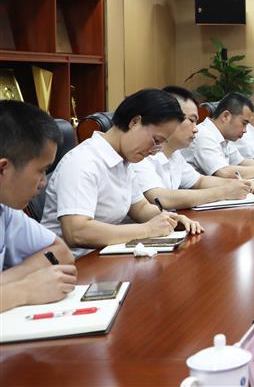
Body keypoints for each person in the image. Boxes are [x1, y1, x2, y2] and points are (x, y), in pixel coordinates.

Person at [41, 89, 203, 258]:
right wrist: (147, 229)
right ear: (135, 122)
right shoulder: (83, 161)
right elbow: (77, 232)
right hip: (73, 263)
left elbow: (140, 208)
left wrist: (171, 219)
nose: (154, 152)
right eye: (156, 140)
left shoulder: (123, 160)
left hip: (104, 256)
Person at [0, 101, 76, 312]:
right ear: (3, 169)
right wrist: (23, 291)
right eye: (41, 170)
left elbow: (61, 252)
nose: (43, 182)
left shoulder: (6, 209)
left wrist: (6, 281)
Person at [132, 86, 254, 210]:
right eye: (191, 120)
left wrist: (238, 184)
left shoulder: (175, 154)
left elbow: (199, 181)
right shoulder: (142, 153)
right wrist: (223, 192)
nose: (196, 129)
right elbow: (161, 198)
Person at [182, 92, 254, 179]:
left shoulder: (223, 136)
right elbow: (223, 172)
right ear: (226, 116)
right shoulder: (204, 135)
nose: (245, 130)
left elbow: (241, 162)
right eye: (244, 123)